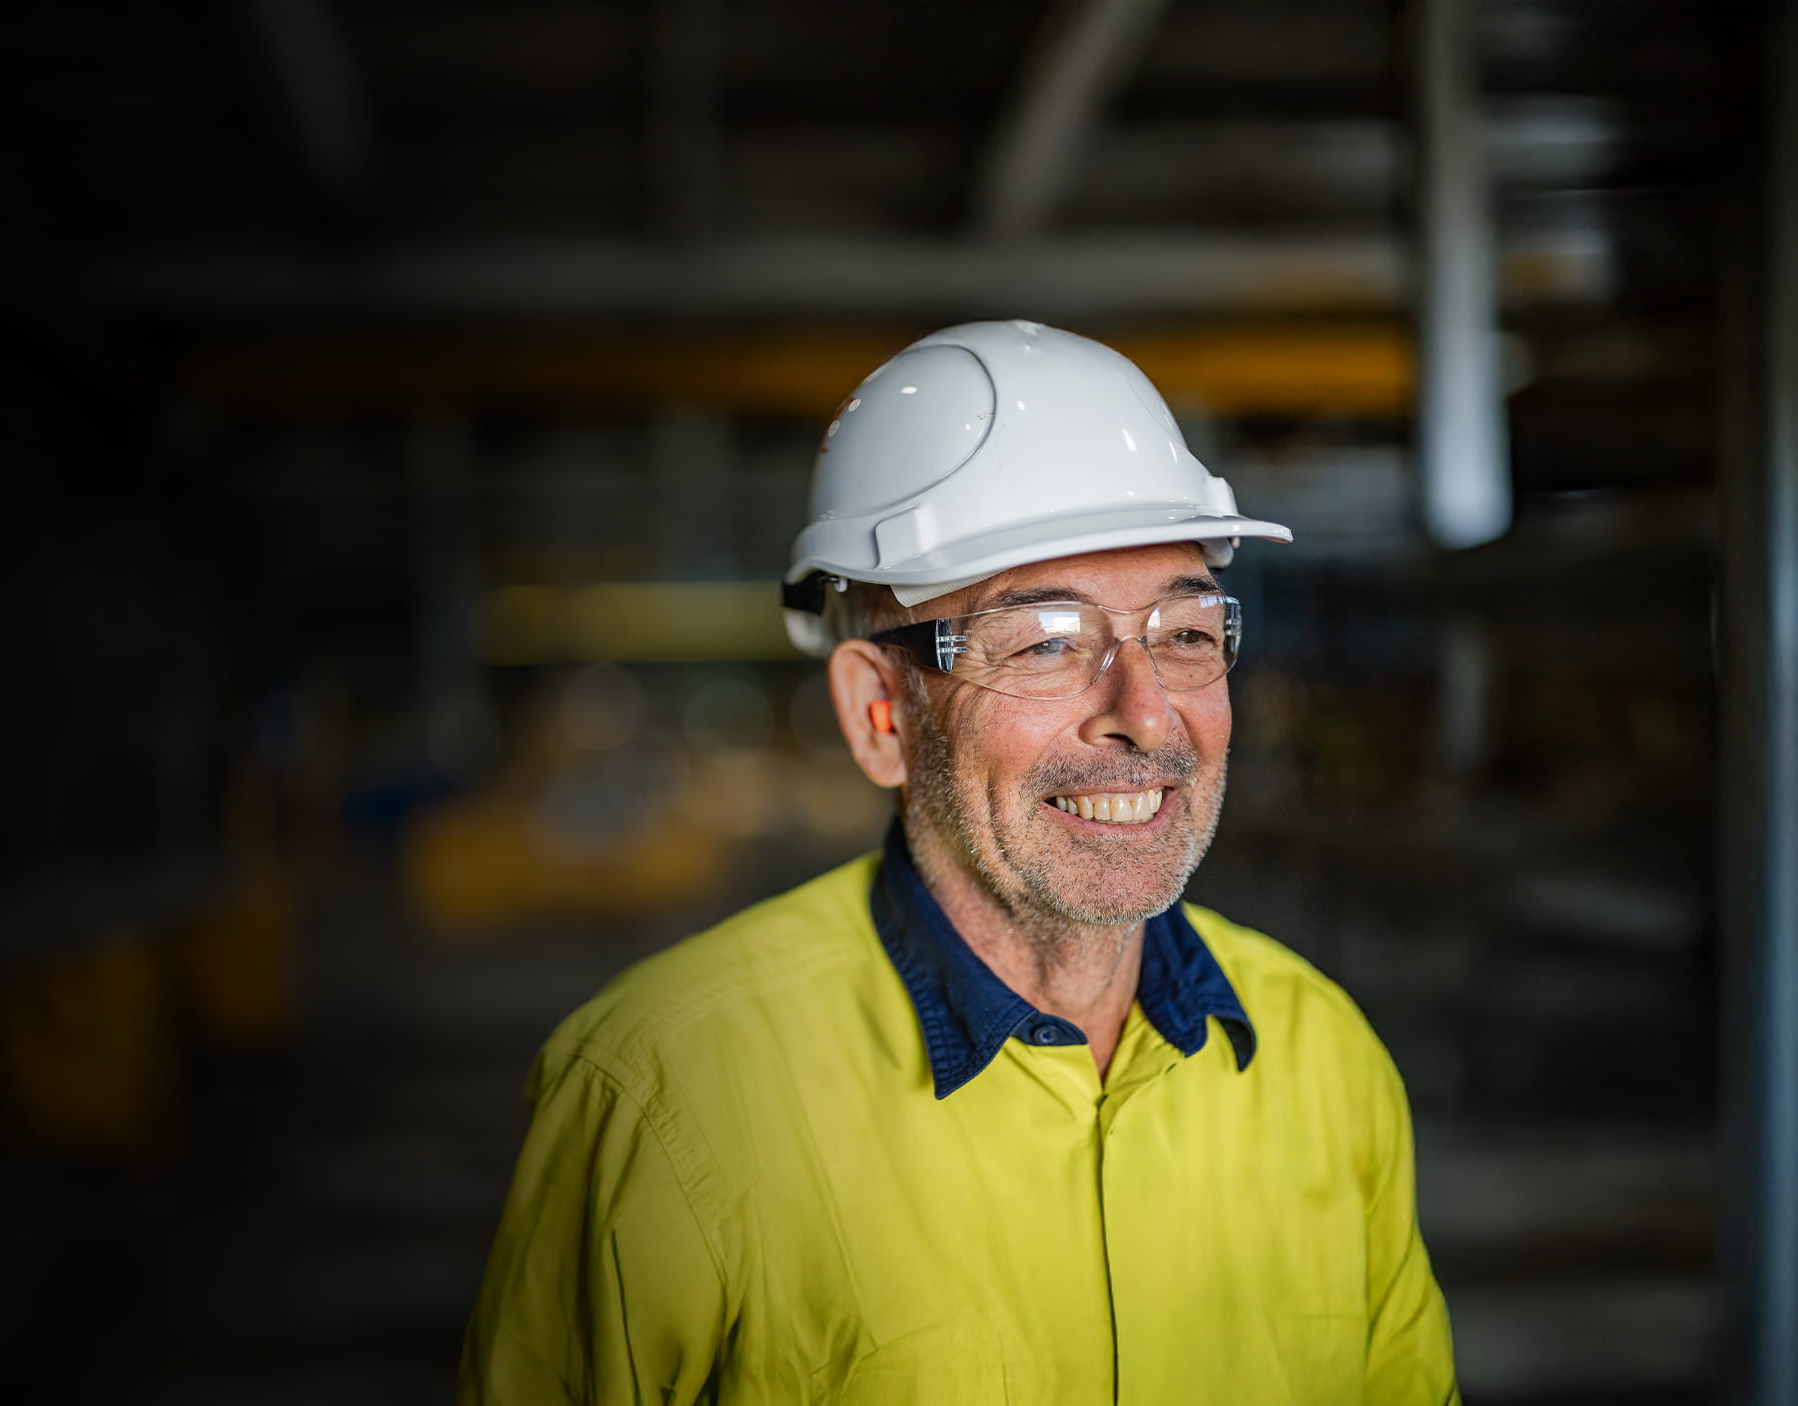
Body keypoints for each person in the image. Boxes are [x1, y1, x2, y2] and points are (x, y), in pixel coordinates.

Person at [457, 322, 1459, 1403]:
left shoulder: (1324, 1060)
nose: (1144, 712)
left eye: (1182, 631)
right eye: (1042, 643)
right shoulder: (667, 1093)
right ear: (880, 711)